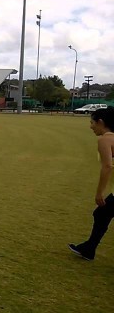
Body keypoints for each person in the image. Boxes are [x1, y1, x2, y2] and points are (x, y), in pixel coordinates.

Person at [69, 107, 114, 260]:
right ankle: (89, 249)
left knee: (101, 213)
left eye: (92, 122)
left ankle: (89, 249)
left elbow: (107, 166)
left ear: (101, 122)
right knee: (101, 214)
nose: (91, 126)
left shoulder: (105, 139)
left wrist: (99, 193)